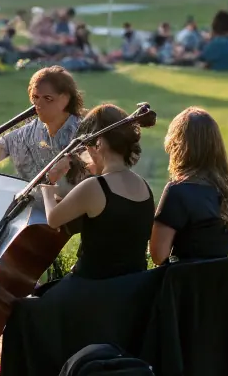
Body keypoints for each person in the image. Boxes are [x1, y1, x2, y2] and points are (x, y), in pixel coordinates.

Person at [0, 67, 83, 298]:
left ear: (66, 98)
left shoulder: (82, 132)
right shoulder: (27, 132)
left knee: (11, 250)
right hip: (25, 206)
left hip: (63, 209)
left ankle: (15, 302)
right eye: (35, 98)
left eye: (47, 98)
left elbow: (92, 170)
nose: (39, 104)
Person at [38, 104, 153, 279]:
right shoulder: (143, 185)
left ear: (98, 144)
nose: (86, 155)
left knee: (25, 305)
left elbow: (54, 219)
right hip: (132, 288)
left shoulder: (95, 186)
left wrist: (48, 185)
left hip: (91, 288)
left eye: (87, 148)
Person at [150, 108, 228, 264]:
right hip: (216, 284)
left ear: (178, 145)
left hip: (183, 283)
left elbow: (158, 256)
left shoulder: (178, 191)